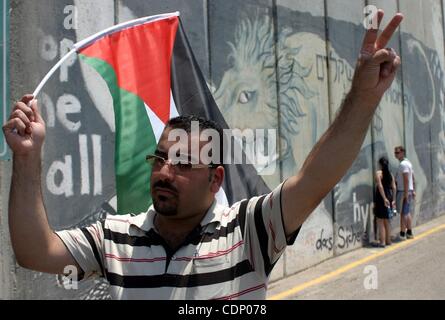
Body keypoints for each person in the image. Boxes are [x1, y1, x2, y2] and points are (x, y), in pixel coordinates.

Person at [2, 10, 403, 299]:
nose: (164, 171)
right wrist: (26, 158)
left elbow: (318, 176)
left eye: (182, 164)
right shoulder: (115, 237)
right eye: (159, 159)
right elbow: (34, 251)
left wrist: (363, 97)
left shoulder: (250, 231)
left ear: (216, 179)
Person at [374, 156, 396, 247]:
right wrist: (393, 200)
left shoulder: (378, 173)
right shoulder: (390, 174)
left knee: (380, 220)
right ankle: (388, 241)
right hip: (389, 196)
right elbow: (394, 187)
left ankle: (382, 242)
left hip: (381, 197)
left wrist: (384, 199)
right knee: (387, 220)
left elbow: (380, 186)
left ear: (380, 164)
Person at [394, 145, 415, 240]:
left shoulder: (403, 164)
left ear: (402, 152)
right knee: (407, 212)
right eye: (395, 153)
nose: (395, 154)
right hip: (408, 190)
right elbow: (412, 178)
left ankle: (403, 233)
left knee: (403, 213)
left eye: (397, 152)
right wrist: (413, 190)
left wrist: (406, 193)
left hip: (404, 191)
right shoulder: (408, 163)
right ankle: (409, 232)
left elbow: (406, 179)